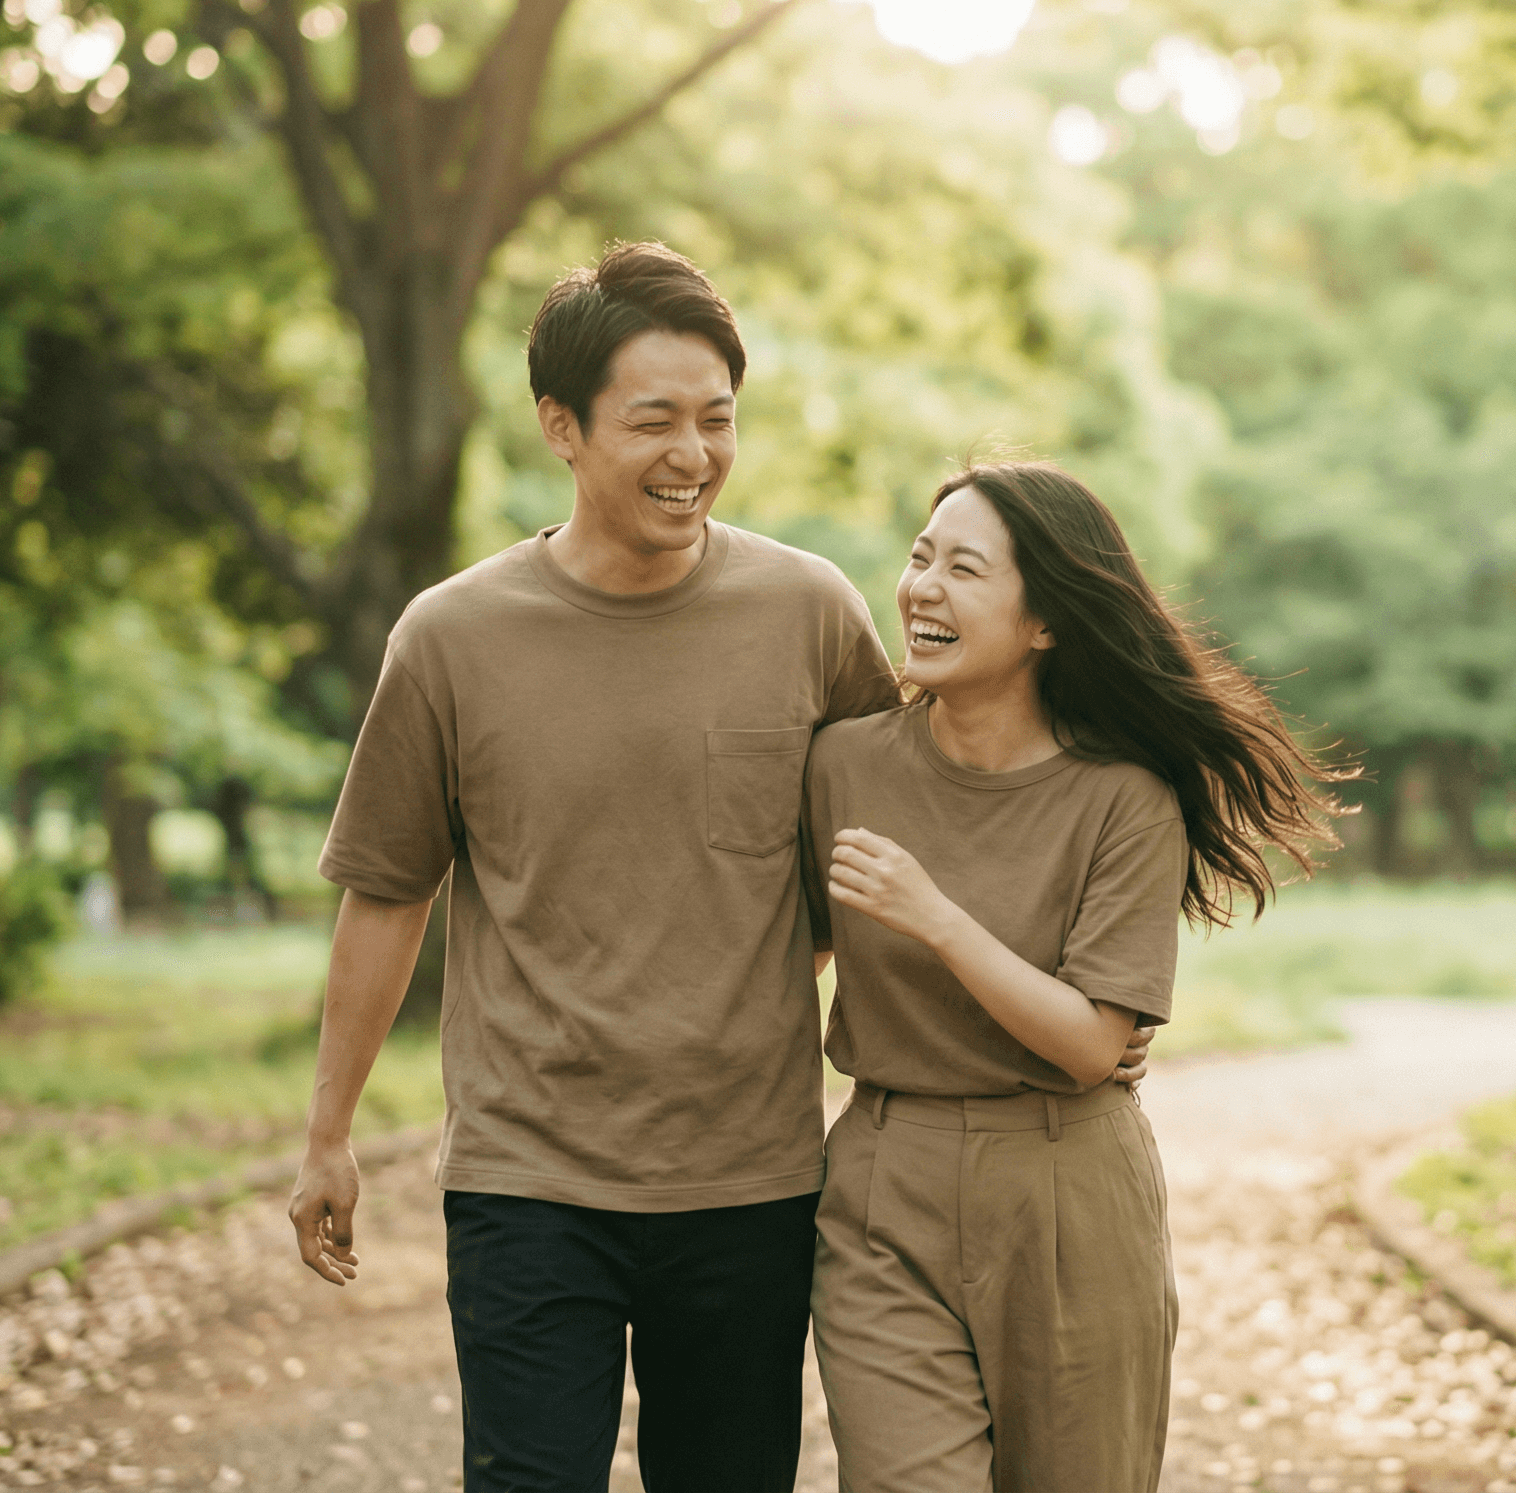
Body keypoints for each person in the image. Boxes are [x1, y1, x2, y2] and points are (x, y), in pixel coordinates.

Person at [284, 244, 1147, 1493]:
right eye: (654, 421)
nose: (692, 454)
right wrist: (327, 1135)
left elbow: (922, 812)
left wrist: (1081, 1000)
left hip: (750, 1179)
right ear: (561, 428)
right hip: (528, 1175)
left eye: (716, 419)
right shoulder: (452, 637)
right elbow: (388, 888)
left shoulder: (806, 613)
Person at [805, 460, 1346, 1493]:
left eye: (964, 569)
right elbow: (789, 947)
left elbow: (1093, 1043)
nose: (922, 588)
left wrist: (935, 919)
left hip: (1067, 1196)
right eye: (920, 558)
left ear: (1045, 622)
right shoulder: (841, 765)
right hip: (884, 1182)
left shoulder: (1123, 800)